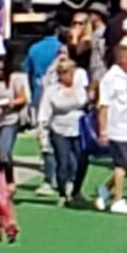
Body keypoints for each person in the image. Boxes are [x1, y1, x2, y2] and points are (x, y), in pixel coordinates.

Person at [95, 41, 127, 214]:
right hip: (117, 129)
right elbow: (103, 106)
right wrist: (103, 131)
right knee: (120, 165)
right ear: (122, 59)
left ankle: (106, 189)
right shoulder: (110, 79)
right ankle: (118, 200)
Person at [38, 54, 91, 204]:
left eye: (70, 72)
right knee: (63, 161)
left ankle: (76, 190)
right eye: (65, 73)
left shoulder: (79, 89)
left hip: (78, 128)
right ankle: (62, 193)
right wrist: (42, 132)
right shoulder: (52, 91)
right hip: (59, 129)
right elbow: (44, 112)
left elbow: (84, 102)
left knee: (82, 160)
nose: (68, 76)